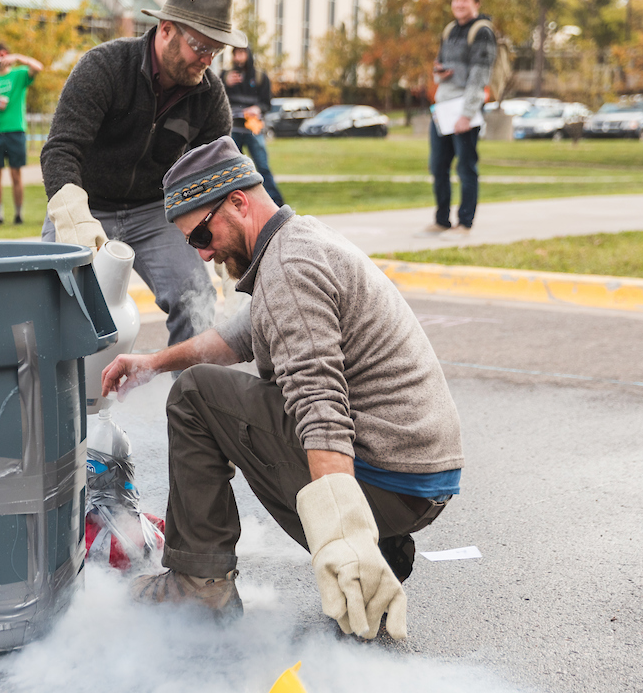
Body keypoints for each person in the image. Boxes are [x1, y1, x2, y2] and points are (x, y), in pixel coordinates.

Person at [102, 136, 464, 639]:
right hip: (416, 474)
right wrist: (152, 361)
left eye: (201, 234)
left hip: (387, 479)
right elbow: (233, 339)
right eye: (192, 243)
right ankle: (384, 545)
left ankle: (198, 584)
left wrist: (344, 538)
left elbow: (319, 403)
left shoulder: (288, 271)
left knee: (196, 396)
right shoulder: (299, 242)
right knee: (204, 381)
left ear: (237, 201)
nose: (203, 253)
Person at [40, 0, 240, 348]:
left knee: (196, 300)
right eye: (200, 46)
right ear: (166, 30)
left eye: (217, 51)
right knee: (56, 303)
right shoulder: (105, 67)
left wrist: (233, 248)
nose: (207, 60)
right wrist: (73, 220)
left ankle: (192, 401)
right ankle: (70, 402)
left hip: (156, 212)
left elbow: (219, 179)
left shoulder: (209, 97)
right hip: (89, 207)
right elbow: (60, 150)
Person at [422, 0, 497, 239]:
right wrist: (439, 73)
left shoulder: (482, 31)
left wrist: (466, 114)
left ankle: (464, 223)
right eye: (456, 1)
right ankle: (442, 220)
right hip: (443, 108)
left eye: (465, 1)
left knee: (466, 168)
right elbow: (440, 67)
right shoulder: (450, 30)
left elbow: (479, 76)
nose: (459, 5)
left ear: (476, 3)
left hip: (464, 110)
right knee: (437, 166)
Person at [0, 43, 43, 225]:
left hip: (15, 131)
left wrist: (17, 57)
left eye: (2, 55)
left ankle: (18, 215)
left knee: (16, 174)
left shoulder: (19, 74)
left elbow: (38, 67)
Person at [224, 46, 284, 206]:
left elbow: (266, 103)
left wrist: (257, 109)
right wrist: (224, 82)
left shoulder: (260, 77)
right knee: (230, 167)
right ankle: (232, 202)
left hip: (252, 128)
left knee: (262, 166)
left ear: (248, 55)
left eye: (242, 53)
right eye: (236, 54)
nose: (239, 58)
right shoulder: (225, 76)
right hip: (233, 129)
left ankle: (276, 203)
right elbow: (215, 97)